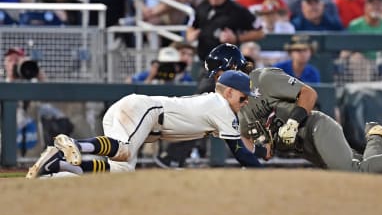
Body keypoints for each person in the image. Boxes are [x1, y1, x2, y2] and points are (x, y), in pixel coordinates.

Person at [205, 43, 382, 175]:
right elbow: (264, 152)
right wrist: (257, 150)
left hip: (315, 128)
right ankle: (376, 137)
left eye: (218, 73)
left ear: (233, 66)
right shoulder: (233, 107)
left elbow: (308, 94)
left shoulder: (262, 78)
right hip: (301, 147)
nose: (217, 80)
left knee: (354, 173)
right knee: (367, 173)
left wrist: (293, 122)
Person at [26, 70, 269, 178]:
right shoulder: (221, 107)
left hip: (136, 115)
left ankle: (56, 167)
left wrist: (262, 150)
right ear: (228, 92)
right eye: (243, 96)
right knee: (124, 150)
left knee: (122, 171)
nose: (246, 102)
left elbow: (243, 147)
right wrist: (264, 174)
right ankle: (75, 145)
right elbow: (241, 154)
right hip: (146, 110)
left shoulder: (219, 108)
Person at [186, 0, 264, 63]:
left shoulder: (237, 10)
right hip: (204, 61)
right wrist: (191, 35)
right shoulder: (201, 7)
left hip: (228, 63)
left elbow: (260, 32)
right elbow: (191, 26)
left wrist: (236, 38)